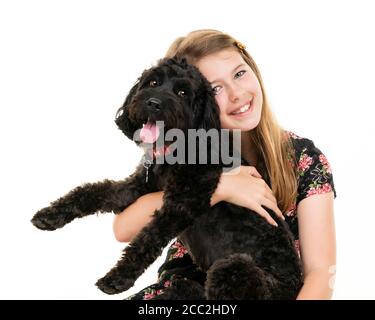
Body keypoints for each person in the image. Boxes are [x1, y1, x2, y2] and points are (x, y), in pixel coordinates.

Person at [113, 29, 337, 300]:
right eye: (216, 88)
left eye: (240, 73)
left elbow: (320, 273)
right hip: (183, 289)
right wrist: (219, 187)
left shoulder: (302, 158)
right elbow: (123, 228)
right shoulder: (181, 151)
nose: (237, 93)